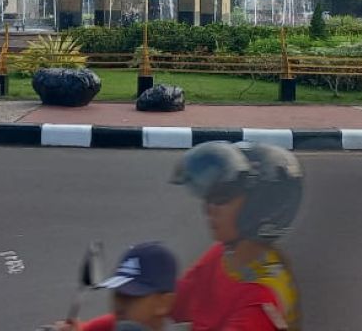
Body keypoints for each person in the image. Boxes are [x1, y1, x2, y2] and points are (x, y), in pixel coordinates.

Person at [68, 141, 303, 331]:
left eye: (223, 198)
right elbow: (162, 304)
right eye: (210, 197)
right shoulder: (224, 258)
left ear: (259, 207)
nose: (210, 208)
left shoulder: (262, 299)